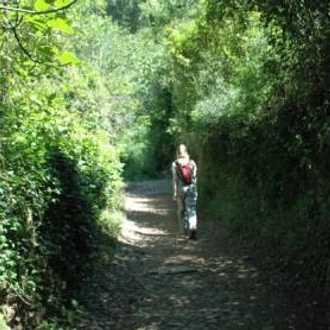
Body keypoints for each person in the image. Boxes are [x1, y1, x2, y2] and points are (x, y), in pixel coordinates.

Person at [171, 144, 198, 239]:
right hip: (191, 187)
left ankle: (182, 232)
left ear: (177, 152)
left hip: (181, 188)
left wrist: (174, 192)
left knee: (181, 210)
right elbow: (194, 177)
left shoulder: (175, 164)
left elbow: (175, 179)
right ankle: (193, 227)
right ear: (186, 151)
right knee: (192, 209)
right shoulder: (192, 162)